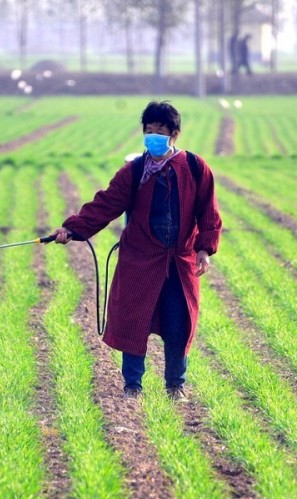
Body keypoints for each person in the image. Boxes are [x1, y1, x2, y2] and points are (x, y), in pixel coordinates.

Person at [52, 100, 223, 401]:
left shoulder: (195, 168)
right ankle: (133, 386)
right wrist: (72, 229)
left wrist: (204, 249)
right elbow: (105, 205)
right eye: (149, 130)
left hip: (179, 263)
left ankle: (175, 385)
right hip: (139, 261)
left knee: (178, 323)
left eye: (160, 131)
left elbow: (208, 212)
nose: (153, 136)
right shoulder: (134, 171)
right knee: (134, 321)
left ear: (174, 134)